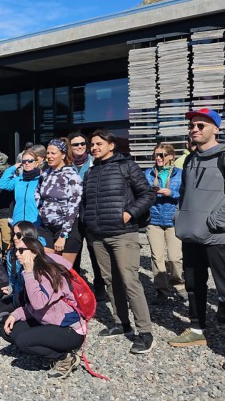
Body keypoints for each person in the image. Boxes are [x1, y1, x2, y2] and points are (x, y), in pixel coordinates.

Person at [169, 108, 225, 372]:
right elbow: (184, 194)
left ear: (216, 128)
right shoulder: (191, 159)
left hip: (218, 236)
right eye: (193, 125)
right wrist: (180, 218)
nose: (195, 129)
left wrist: (215, 223)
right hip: (191, 234)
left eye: (202, 125)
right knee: (194, 285)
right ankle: (197, 328)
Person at [80, 129, 155, 354]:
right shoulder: (90, 173)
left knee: (130, 280)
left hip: (123, 233)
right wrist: (87, 222)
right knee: (110, 280)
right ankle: (121, 323)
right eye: (92, 144)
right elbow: (85, 202)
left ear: (111, 145)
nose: (94, 148)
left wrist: (129, 212)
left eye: (98, 143)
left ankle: (145, 332)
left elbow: (148, 194)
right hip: (98, 235)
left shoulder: (127, 166)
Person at [1, 237, 87, 379]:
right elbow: (32, 307)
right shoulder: (32, 271)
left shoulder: (48, 272)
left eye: (22, 250)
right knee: (9, 331)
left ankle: (64, 357)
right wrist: (15, 315)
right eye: (17, 250)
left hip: (69, 330)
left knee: (23, 341)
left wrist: (28, 273)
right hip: (49, 322)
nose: (17, 254)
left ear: (34, 252)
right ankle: (49, 349)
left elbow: (38, 303)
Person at [67, 132, 106, 302]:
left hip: (90, 213)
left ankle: (100, 287)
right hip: (72, 216)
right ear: (70, 147)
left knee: (95, 252)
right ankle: (76, 288)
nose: (81, 146)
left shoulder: (95, 162)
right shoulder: (66, 165)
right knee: (73, 254)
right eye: (76, 144)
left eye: (83, 143)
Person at [144, 143, 184, 304]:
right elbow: (141, 192)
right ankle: (161, 290)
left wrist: (171, 193)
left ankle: (178, 283)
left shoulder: (180, 174)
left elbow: (186, 194)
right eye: (156, 155)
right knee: (157, 257)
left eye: (162, 155)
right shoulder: (148, 173)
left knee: (175, 258)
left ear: (171, 156)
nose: (158, 158)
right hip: (153, 220)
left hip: (173, 219)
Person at [0, 221, 46, 324]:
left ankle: (27, 320)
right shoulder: (11, 254)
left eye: (18, 235)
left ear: (28, 235)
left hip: (36, 297)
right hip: (19, 295)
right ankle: (18, 320)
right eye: (13, 234)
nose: (14, 238)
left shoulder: (38, 253)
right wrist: (10, 288)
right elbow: (13, 279)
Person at [36, 138, 83, 264]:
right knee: (48, 267)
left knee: (64, 271)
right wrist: (41, 212)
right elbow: (38, 195)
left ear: (62, 155)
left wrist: (63, 235)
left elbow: (74, 206)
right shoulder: (45, 174)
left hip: (66, 228)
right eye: (48, 153)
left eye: (53, 153)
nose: (49, 156)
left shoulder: (71, 175)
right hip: (47, 226)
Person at [0, 149, 41, 225]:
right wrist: (14, 167)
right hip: (18, 222)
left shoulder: (40, 180)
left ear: (36, 163)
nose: (27, 163)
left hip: (35, 222)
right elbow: (2, 184)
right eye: (24, 161)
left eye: (30, 161)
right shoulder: (18, 180)